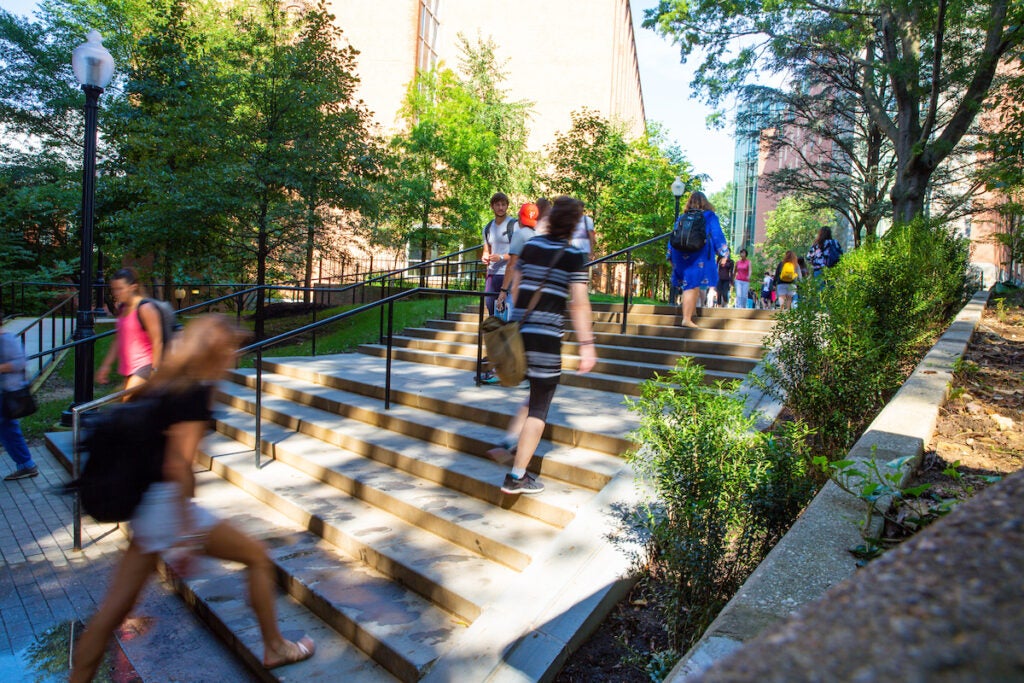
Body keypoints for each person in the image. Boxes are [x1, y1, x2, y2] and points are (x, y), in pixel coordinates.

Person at [70, 315, 315, 682]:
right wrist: (186, 536)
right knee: (257, 557)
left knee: (112, 611)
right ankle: (276, 647)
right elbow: (179, 464)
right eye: (231, 347)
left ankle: (79, 678)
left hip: (147, 506)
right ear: (216, 350)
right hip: (167, 507)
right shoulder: (195, 392)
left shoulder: (165, 381)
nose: (235, 355)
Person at [486, 196, 597, 494]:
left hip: (521, 334)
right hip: (547, 341)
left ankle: (509, 441)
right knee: (539, 407)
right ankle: (517, 476)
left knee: (534, 394)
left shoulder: (532, 246)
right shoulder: (573, 256)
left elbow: (519, 287)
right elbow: (579, 304)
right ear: (573, 225)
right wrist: (587, 345)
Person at [97, 267, 164, 395]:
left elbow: (157, 341)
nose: (116, 293)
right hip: (128, 367)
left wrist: (155, 371)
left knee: (126, 404)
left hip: (145, 366)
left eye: (120, 289)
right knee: (134, 408)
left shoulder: (145, 308)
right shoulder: (123, 308)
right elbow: (118, 339)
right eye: (114, 289)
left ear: (133, 287)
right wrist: (106, 365)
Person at [667, 191, 730, 327]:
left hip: (680, 253)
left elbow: (673, 235)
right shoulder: (709, 216)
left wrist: (669, 255)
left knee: (688, 283)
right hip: (699, 252)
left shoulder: (683, 217)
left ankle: (692, 311)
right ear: (705, 202)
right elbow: (717, 235)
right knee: (692, 284)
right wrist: (724, 253)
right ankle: (686, 319)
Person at [0, 311, 37, 481]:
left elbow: (20, 362)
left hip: (8, 392)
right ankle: (25, 464)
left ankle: (26, 464)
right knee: (7, 429)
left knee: (8, 429)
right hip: (4, 391)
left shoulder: (6, 339)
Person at [480, 192, 519, 317]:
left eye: (503, 204)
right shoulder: (487, 228)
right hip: (492, 275)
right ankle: (495, 335)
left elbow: (517, 253)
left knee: (507, 312)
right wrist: (485, 257)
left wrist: (501, 257)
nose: (501, 208)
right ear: (492, 206)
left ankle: (507, 335)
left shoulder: (514, 225)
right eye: (497, 205)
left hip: (508, 274)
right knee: (491, 307)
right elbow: (486, 250)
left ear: (507, 206)